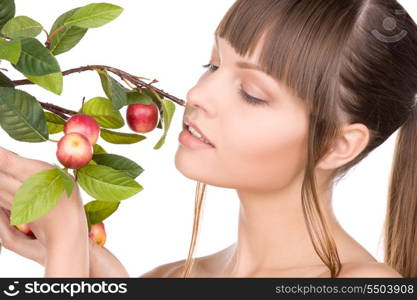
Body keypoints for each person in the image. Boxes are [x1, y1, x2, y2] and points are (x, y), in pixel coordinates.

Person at [1, 0, 417, 278]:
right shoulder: (171, 277)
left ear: (336, 145)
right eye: (213, 64)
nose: (198, 95)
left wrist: (69, 247)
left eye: (252, 93)